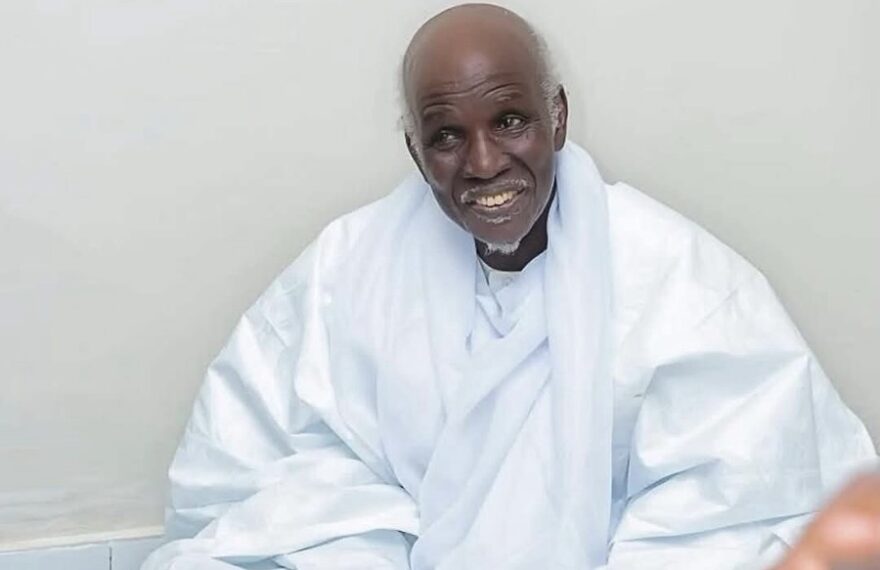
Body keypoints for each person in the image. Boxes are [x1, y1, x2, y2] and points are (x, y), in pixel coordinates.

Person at [142, 4, 876, 569]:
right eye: (446, 136)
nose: (484, 162)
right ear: (415, 152)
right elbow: (265, 471)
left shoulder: (675, 279)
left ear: (557, 119)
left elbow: (739, 502)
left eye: (511, 120)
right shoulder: (347, 268)